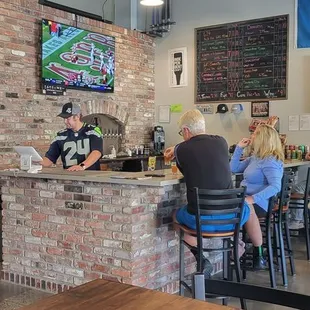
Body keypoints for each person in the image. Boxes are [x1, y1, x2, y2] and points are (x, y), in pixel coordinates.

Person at [165, 109, 262, 276]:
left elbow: (181, 160)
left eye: (182, 132)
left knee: (174, 217)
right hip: (233, 220)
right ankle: (259, 255)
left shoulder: (182, 149)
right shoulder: (221, 142)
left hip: (200, 220)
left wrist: (175, 149)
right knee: (248, 204)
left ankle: (201, 259)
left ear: (186, 131)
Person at [230, 124, 284, 268]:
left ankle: (257, 253)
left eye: (254, 134)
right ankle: (238, 244)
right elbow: (233, 168)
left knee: (246, 207)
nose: (251, 136)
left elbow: (275, 186)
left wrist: (252, 199)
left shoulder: (270, 160)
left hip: (262, 203)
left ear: (262, 138)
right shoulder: (255, 158)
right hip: (245, 199)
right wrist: (239, 148)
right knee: (239, 206)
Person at [40, 102, 103, 171]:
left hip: (90, 177)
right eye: (64, 118)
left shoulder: (93, 131)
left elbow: (97, 152)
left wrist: (82, 166)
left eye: (68, 118)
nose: (65, 121)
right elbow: (49, 160)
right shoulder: (60, 136)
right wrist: (34, 161)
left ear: (77, 116)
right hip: (70, 178)